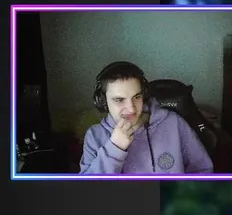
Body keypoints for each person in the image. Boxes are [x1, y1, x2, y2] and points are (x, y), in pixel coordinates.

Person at [79, 61, 214, 175]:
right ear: (103, 101)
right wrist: (115, 148)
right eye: (119, 100)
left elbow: (203, 170)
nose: (131, 109)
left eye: (137, 97)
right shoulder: (94, 136)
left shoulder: (173, 122)